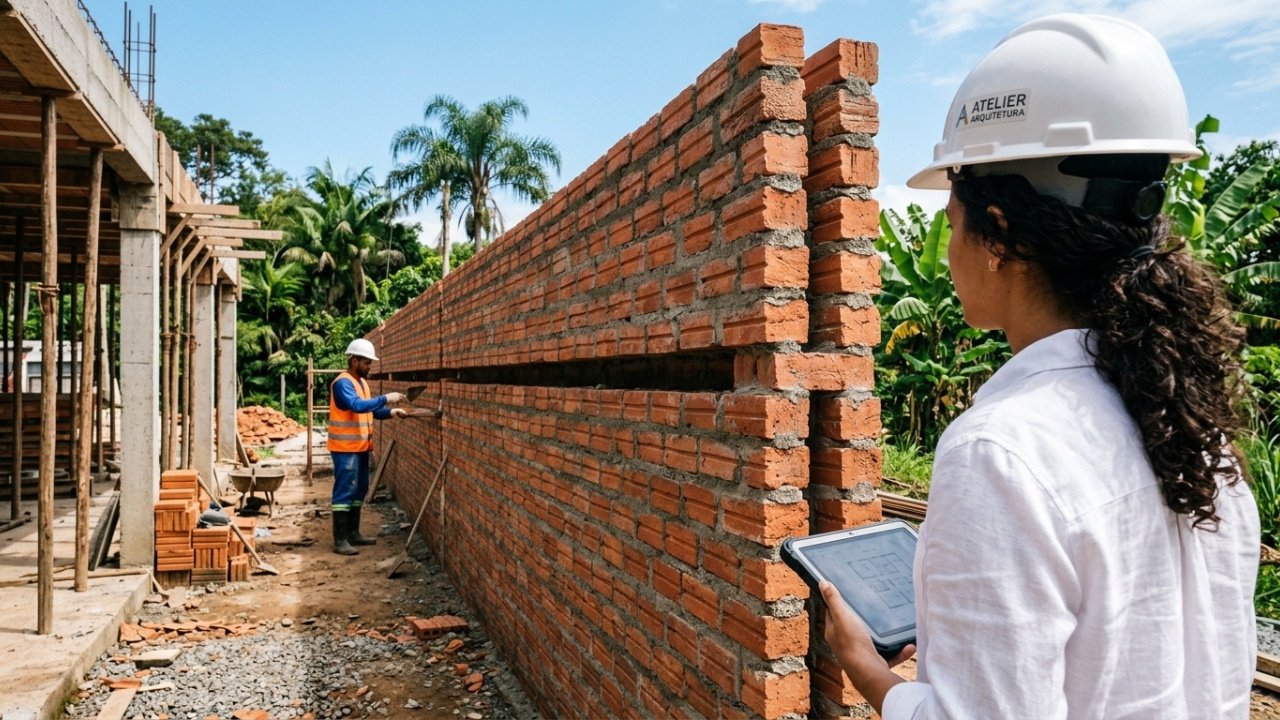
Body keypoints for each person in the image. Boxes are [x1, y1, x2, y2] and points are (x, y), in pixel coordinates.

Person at [821, 14, 1260, 719]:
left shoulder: (1000, 453)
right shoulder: (1200, 432)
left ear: (996, 231)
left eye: (952, 214)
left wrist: (873, 676)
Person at [327, 338, 407, 556]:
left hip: (360, 447)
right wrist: (386, 399)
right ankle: (340, 539)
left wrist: (391, 412)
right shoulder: (343, 383)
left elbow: (369, 410)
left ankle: (353, 534)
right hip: (345, 448)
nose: (370, 367)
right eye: (366, 363)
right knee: (345, 490)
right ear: (354, 361)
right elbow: (357, 406)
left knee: (359, 488)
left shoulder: (361, 383)